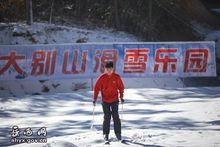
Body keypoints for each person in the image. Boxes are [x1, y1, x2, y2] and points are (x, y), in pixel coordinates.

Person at [93, 61, 125, 142]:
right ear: (105, 69)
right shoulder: (102, 78)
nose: (109, 70)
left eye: (110, 69)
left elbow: (121, 87)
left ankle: (118, 134)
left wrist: (121, 96)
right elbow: (96, 88)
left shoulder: (116, 77)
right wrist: (95, 99)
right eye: (107, 69)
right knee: (107, 117)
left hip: (114, 100)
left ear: (113, 69)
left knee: (116, 117)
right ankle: (105, 134)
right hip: (105, 101)